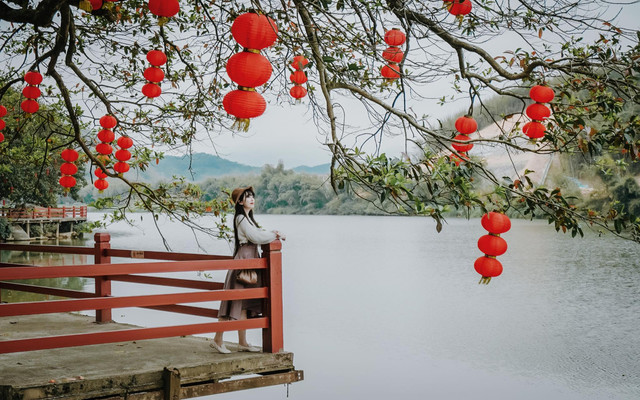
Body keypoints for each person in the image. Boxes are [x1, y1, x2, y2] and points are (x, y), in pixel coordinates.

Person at [211, 186, 285, 354]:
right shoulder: (240, 219)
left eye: (252, 196)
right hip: (243, 261)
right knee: (232, 302)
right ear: (240, 201)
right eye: (247, 197)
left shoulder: (248, 218)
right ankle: (217, 339)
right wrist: (276, 235)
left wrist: (272, 233)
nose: (252, 199)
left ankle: (242, 342)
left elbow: (258, 232)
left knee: (244, 304)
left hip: (250, 260)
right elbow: (255, 237)